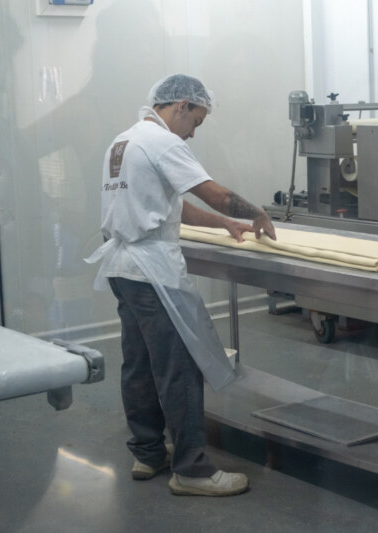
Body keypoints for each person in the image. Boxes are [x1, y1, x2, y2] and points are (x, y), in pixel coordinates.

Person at [86, 74, 276, 496]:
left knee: (138, 364)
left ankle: (149, 452)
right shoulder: (164, 142)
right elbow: (215, 193)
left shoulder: (124, 141)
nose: (193, 132)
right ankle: (192, 470)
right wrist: (255, 212)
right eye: (197, 121)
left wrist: (225, 224)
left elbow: (171, 203)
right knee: (179, 367)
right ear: (182, 106)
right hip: (151, 270)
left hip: (123, 268)